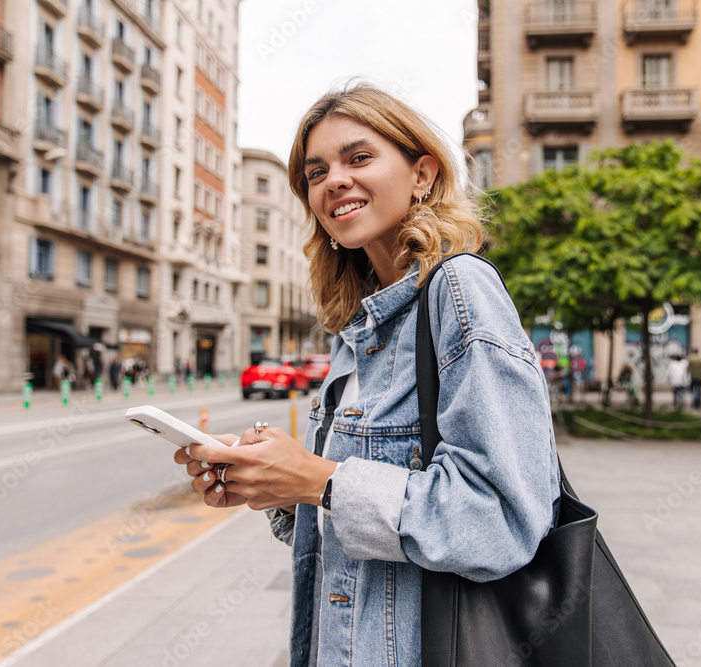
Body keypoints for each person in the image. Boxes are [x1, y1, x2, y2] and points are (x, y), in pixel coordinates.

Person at [172, 85, 560, 666]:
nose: (334, 181)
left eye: (359, 158)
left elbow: (503, 520)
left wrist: (318, 479)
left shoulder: (459, 288)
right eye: (316, 172)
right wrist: (274, 486)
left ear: (422, 173)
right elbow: (347, 529)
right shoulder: (362, 325)